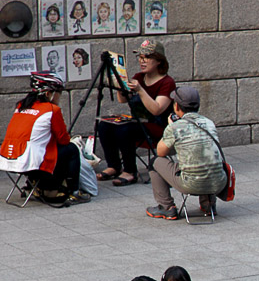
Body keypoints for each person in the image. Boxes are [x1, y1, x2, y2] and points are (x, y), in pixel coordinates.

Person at [96, 38, 175, 186]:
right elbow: (123, 100)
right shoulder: (139, 77)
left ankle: (130, 171)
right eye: (140, 57)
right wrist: (120, 83)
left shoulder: (167, 82)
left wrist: (140, 90)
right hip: (138, 122)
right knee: (105, 125)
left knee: (125, 129)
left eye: (147, 57)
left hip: (158, 126)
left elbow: (157, 110)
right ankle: (114, 166)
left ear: (159, 60)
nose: (142, 61)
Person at [0, 72, 86, 206]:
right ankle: (74, 192)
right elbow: (64, 140)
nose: (59, 96)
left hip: (8, 158)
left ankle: (33, 185)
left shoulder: (21, 106)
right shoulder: (52, 109)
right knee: (72, 149)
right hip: (30, 162)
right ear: (48, 94)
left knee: (46, 150)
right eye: (59, 92)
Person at [146, 86, 227, 220]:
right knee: (206, 159)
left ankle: (166, 207)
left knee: (155, 162)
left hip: (191, 184)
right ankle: (209, 205)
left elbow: (161, 152)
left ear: (176, 106)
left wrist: (170, 127)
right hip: (218, 183)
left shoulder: (175, 127)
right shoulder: (209, 123)